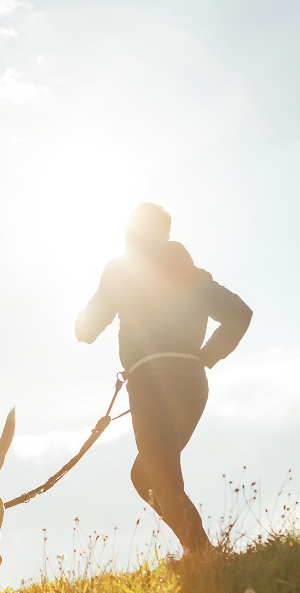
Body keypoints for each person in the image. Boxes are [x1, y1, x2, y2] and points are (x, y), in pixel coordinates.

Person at [75, 203, 252, 553]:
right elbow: (240, 314)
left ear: (130, 232)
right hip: (191, 382)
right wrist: (207, 355)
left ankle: (203, 557)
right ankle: (198, 551)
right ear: (166, 234)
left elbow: (88, 329)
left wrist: (82, 321)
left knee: (161, 477)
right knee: (146, 476)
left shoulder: (121, 271)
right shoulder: (195, 276)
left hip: (151, 383)